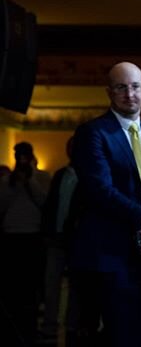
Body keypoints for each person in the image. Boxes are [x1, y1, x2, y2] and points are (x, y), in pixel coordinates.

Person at [70, 61, 141, 347]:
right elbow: (100, 191)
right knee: (120, 335)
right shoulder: (93, 133)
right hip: (111, 254)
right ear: (109, 92)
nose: (129, 94)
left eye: (135, 87)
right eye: (120, 87)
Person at [0, 142, 51, 346]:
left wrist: (29, 181)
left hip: (33, 236)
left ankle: (30, 327)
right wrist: (14, 183)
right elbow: (1, 207)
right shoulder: (6, 181)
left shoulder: (42, 178)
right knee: (11, 286)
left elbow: (44, 203)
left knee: (32, 286)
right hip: (11, 237)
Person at [40, 136, 79, 343]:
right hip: (56, 238)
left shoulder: (89, 176)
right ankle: (50, 326)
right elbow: (50, 205)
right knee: (51, 284)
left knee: (75, 286)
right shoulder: (60, 175)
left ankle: (70, 325)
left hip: (75, 241)